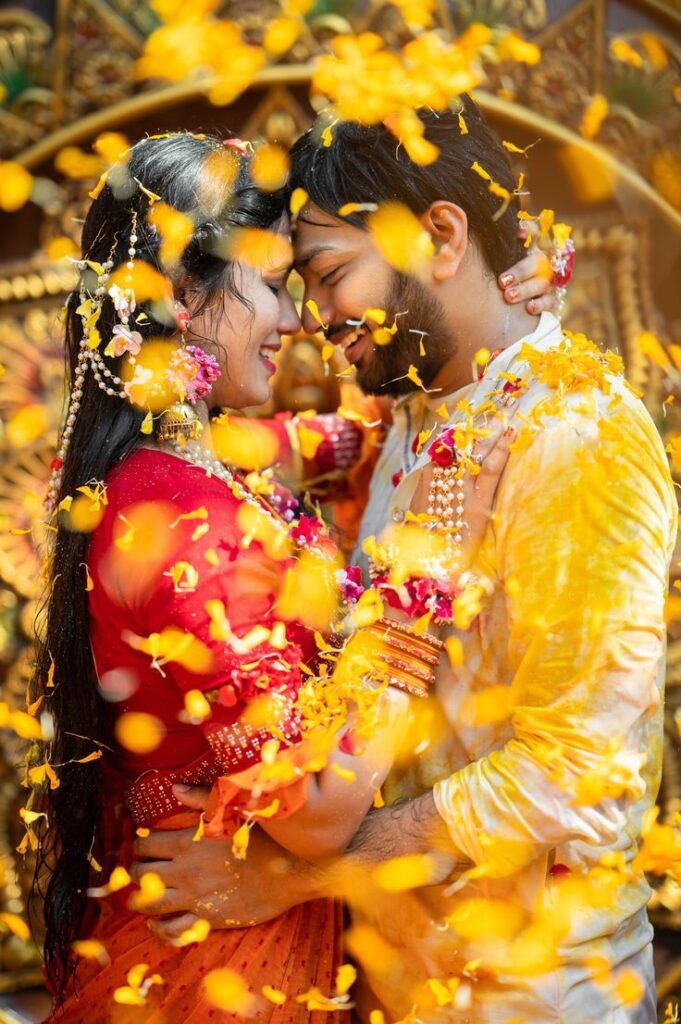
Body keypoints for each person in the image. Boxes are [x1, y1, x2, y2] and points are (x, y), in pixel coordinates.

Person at [134, 97, 677, 1023]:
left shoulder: (576, 438)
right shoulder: (421, 407)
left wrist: (291, 876)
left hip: (531, 992)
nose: (311, 319)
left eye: (331, 272)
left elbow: (576, 776)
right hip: (392, 978)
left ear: (439, 235)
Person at [31, 131, 515, 1023]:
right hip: (227, 967)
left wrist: (480, 301)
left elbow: (346, 438)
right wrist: (420, 582)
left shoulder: (190, 465)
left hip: (228, 931)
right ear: (182, 294)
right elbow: (321, 814)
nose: (296, 323)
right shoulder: (181, 521)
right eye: (275, 288)